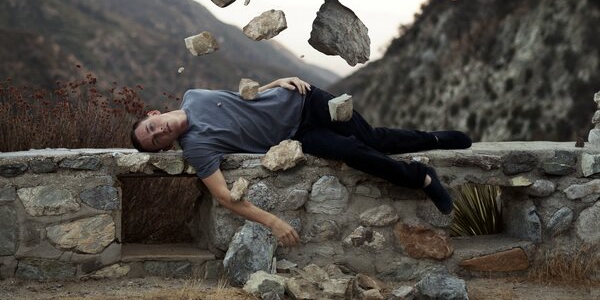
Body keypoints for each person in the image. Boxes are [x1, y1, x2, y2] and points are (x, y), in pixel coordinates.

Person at [130, 77, 471, 247]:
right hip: (298, 137)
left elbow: (243, 98)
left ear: (154, 113)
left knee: (372, 139)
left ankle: (436, 139)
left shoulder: (193, 94)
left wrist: (278, 82)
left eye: (151, 127)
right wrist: (274, 223)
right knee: (353, 151)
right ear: (166, 147)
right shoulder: (197, 147)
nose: (159, 132)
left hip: (305, 99)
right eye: (156, 140)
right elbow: (223, 197)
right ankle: (420, 177)